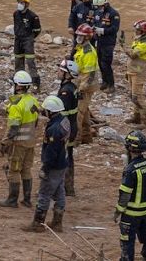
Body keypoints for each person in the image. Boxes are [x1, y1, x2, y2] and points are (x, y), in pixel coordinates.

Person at [0, 70, 41, 209]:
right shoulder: (33, 100)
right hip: (30, 142)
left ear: (18, 85)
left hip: (18, 144)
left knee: (14, 171)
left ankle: (12, 200)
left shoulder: (17, 105)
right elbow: (35, 120)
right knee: (26, 170)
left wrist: (5, 143)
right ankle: (27, 199)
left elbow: (13, 129)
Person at [29, 94, 71, 232]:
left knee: (44, 193)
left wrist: (45, 169)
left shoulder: (53, 129)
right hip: (62, 163)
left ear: (51, 112)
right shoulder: (64, 120)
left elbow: (51, 152)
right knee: (59, 193)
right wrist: (38, 110)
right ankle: (57, 222)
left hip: (53, 166)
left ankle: (38, 223)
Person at [116, 131, 146, 261]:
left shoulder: (130, 170)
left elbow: (125, 195)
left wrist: (118, 211)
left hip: (131, 213)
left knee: (127, 240)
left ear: (130, 149)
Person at [55, 59, 80, 197]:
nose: (58, 72)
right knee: (68, 155)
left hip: (66, 128)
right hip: (72, 126)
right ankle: (69, 187)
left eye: (61, 71)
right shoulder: (72, 88)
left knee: (62, 157)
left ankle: (62, 188)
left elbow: (60, 112)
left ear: (68, 75)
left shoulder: (66, 91)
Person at [123, 19, 146, 126]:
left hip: (138, 73)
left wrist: (123, 46)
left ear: (142, 31)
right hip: (133, 71)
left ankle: (145, 122)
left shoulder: (144, 44)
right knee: (133, 96)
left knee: (137, 97)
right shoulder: (138, 40)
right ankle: (136, 117)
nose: (135, 31)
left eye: (137, 30)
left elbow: (132, 55)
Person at [72, 24, 99, 140]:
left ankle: (76, 138)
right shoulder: (81, 48)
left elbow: (90, 74)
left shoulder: (88, 52)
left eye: (81, 35)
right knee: (85, 110)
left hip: (86, 85)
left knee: (78, 112)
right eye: (78, 35)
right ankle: (86, 135)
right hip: (82, 82)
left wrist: (81, 89)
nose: (78, 37)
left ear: (87, 37)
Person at [92, 0, 120, 92]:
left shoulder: (114, 14)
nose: (99, 8)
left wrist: (103, 30)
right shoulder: (98, 12)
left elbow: (114, 29)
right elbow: (95, 22)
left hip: (108, 42)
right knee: (100, 63)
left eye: (100, 6)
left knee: (106, 64)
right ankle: (105, 81)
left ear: (105, 4)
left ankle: (111, 85)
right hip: (99, 41)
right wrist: (94, 29)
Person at [13, 0, 42, 82]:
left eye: (22, 2)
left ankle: (35, 81)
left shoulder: (33, 16)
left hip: (28, 40)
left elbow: (37, 30)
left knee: (30, 62)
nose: (20, 4)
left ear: (27, 4)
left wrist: (30, 38)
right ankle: (19, 78)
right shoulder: (15, 14)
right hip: (18, 39)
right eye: (19, 2)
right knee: (18, 60)